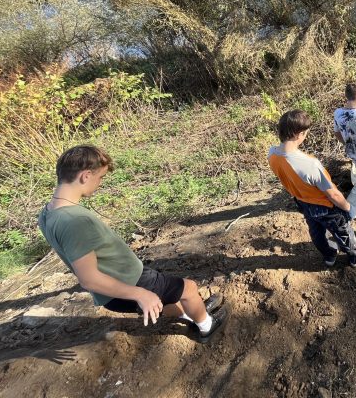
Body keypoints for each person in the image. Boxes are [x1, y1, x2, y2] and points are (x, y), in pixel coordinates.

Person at [38, 145, 226, 342]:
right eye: (100, 177)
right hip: (130, 281)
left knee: (164, 300)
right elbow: (89, 279)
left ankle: (191, 315)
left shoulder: (47, 213)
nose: (100, 183)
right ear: (86, 176)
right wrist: (140, 294)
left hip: (111, 292)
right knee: (189, 288)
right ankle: (207, 325)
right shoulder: (74, 221)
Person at [269, 109, 356, 268]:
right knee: (343, 231)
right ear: (298, 134)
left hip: (302, 203)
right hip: (325, 206)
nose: (305, 136)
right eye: (305, 133)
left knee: (317, 233)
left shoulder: (272, 154)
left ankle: (329, 255)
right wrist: (349, 208)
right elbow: (333, 194)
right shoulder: (309, 164)